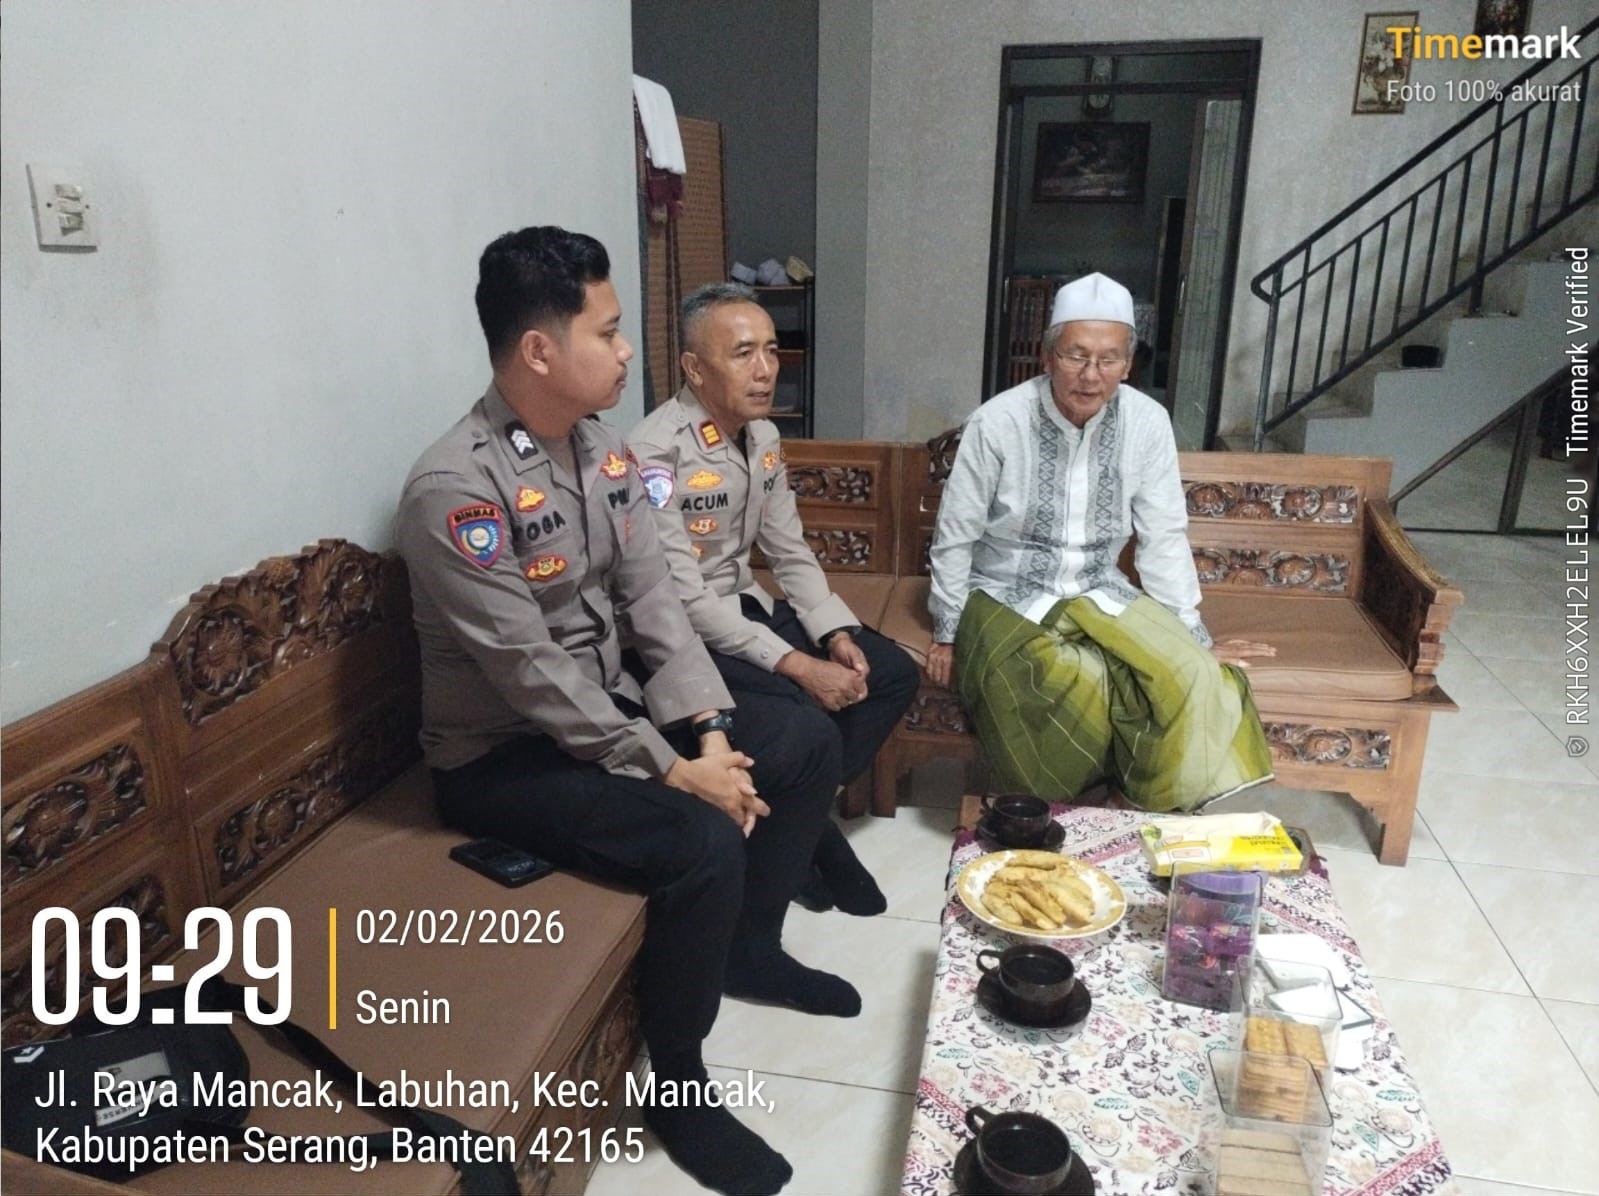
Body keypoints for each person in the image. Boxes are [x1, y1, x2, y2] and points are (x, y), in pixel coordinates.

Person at [397, 228, 840, 1196]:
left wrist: (710, 732)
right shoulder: (455, 489)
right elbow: (529, 673)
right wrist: (674, 769)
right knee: (701, 841)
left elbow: (652, 602)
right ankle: (678, 1083)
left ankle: (750, 949)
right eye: (607, 330)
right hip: (504, 755)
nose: (628, 349)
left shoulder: (600, 449)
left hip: (608, 704)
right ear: (539, 349)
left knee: (800, 742)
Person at [926, 272, 1275, 811]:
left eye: (1108, 359)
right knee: (1066, 676)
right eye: (1076, 356)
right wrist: (948, 631)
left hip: (1100, 587)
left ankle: (1140, 810)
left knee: (1193, 674)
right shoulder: (997, 421)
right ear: (1047, 357)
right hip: (1004, 591)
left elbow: (1163, 532)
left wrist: (1188, 632)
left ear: (1128, 364)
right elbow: (956, 533)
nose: (1091, 376)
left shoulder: (1147, 422)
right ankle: (1056, 811)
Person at [629, 282, 918, 913]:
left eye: (771, 349)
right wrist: (797, 664)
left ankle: (798, 822)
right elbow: (681, 598)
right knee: (800, 708)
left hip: (745, 603)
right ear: (694, 367)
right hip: (686, 631)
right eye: (743, 353)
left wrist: (833, 633)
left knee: (890, 673)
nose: (765, 370)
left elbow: (789, 550)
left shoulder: (761, 436)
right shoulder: (654, 453)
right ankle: (808, 835)